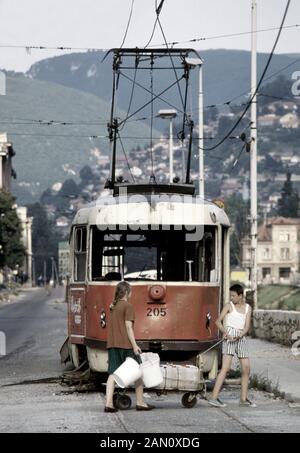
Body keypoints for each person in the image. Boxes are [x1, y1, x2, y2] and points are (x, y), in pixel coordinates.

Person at [104, 281, 155, 413]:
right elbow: (128, 327)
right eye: (130, 291)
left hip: (112, 344)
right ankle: (140, 402)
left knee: (112, 374)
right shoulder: (128, 306)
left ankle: (108, 403)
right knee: (138, 371)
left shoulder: (113, 306)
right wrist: (135, 345)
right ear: (126, 292)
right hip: (125, 345)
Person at [208, 284, 256, 408]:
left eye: (233, 295)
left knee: (246, 368)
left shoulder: (247, 308)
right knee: (225, 368)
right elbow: (218, 321)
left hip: (241, 337)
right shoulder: (228, 306)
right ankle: (213, 398)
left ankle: (243, 399)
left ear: (240, 296)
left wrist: (240, 335)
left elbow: (246, 327)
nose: (231, 297)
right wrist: (226, 333)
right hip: (229, 336)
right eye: (230, 295)